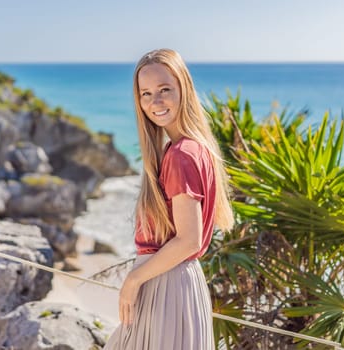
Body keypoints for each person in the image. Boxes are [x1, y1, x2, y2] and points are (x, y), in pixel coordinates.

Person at [104, 48, 234, 350]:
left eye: (165, 90)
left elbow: (189, 240)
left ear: (183, 89)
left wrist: (133, 280)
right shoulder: (197, 148)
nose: (155, 102)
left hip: (166, 287)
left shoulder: (181, 155)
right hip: (181, 286)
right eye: (146, 93)